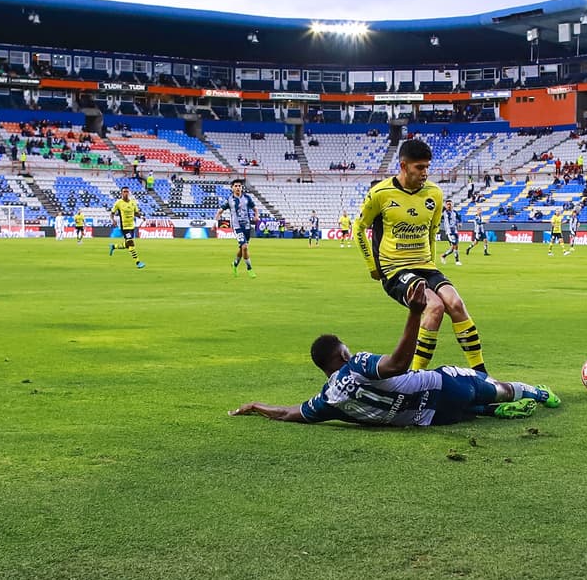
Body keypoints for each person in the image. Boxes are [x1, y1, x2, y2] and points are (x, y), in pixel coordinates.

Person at [228, 290, 559, 426]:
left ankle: (492, 410)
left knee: (473, 409)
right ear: (342, 353)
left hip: (432, 419)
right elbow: (399, 365)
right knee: (489, 384)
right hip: (445, 388)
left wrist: (257, 406)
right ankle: (535, 392)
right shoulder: (357, 364)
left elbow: (289, 413)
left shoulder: (327, 399)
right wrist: (414, 313)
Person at [354, 138, 487, 373]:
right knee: (434, 307)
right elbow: (358, 228)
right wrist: (372, 266)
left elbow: (433, 231)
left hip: (425, 265)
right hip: (395, 269)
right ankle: (415, 377)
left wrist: (432, 263)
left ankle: (482, 374)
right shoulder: (381, 193)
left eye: (427, 167)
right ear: (404, 166)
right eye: (420, 167)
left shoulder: (434, 194)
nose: (425, 172)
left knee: (455, 303)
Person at [217, 178, 259, 278]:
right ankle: (250, 269)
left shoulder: (247, 198)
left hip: (247, 226)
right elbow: (220, 211)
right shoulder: (230, 200)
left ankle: (235, 264)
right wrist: (215, 222)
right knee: (244, 247)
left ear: (241, 187)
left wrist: (256, 215)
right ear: (232, 188)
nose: (238, 188)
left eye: (239, 186)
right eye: (235, 186)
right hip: (237, 227)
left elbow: (255, 208)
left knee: (242, 248)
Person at [108, 187, 145, 269]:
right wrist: (113, 220)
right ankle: (138, 262)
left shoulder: (133, 202)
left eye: (127, 191)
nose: (126, 193)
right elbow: (112, 213)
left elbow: (136, 213)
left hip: (132, 226)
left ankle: (114, 246)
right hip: (124, 227)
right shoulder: (118, 203)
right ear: (121, 193)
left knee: (128, 244)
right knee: (131, 244)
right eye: (124, 192)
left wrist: (141, 217)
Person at [438, 200, 461, 266]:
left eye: (450, 204)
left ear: (452, 205)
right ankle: (457, 260)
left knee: (453, 247)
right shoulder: (444, 212)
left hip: (455, 231)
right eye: (447, 204)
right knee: (454, 245)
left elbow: (459, 218)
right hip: (449, 232)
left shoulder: (455, 212)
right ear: (445, 206)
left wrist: (459, 223)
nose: (449, 206)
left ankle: (443, 256)